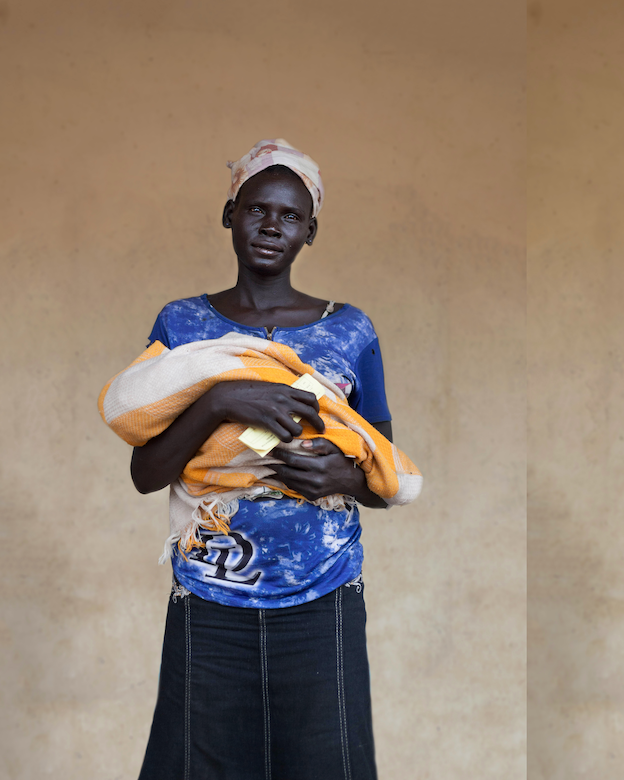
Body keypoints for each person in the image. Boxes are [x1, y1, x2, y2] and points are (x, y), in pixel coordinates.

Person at [123, 139, 413, 779]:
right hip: (210, 592)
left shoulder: (349, 330)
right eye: (257, 209)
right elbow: (147, 473)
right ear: (230, 215)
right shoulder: (182, 325)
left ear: (311, 231)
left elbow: (381, 466)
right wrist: (222, 400)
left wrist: (345, 474)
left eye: (289, 215)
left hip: (324, 597)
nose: (271, 226)